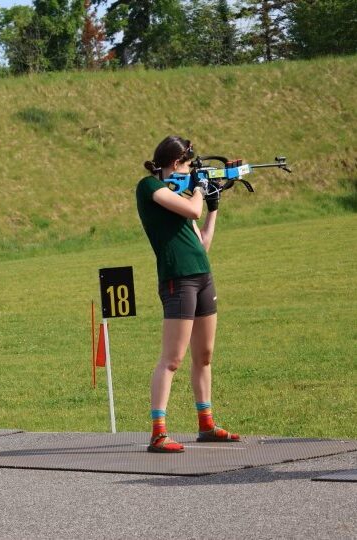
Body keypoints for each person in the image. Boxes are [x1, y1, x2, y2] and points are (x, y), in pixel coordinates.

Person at [136, 135, 240, 453]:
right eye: (187, 165)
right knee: (172, 360)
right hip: (177, 280)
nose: (191, 171)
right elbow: (192, 208)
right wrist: (199, 188)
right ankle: (158, 432)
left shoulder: (178, 196)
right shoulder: (149, 187)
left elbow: (202, 242)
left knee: (204, 356)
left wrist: (214, 206)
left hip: (202, 275)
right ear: (175, 164)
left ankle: (206, 424)